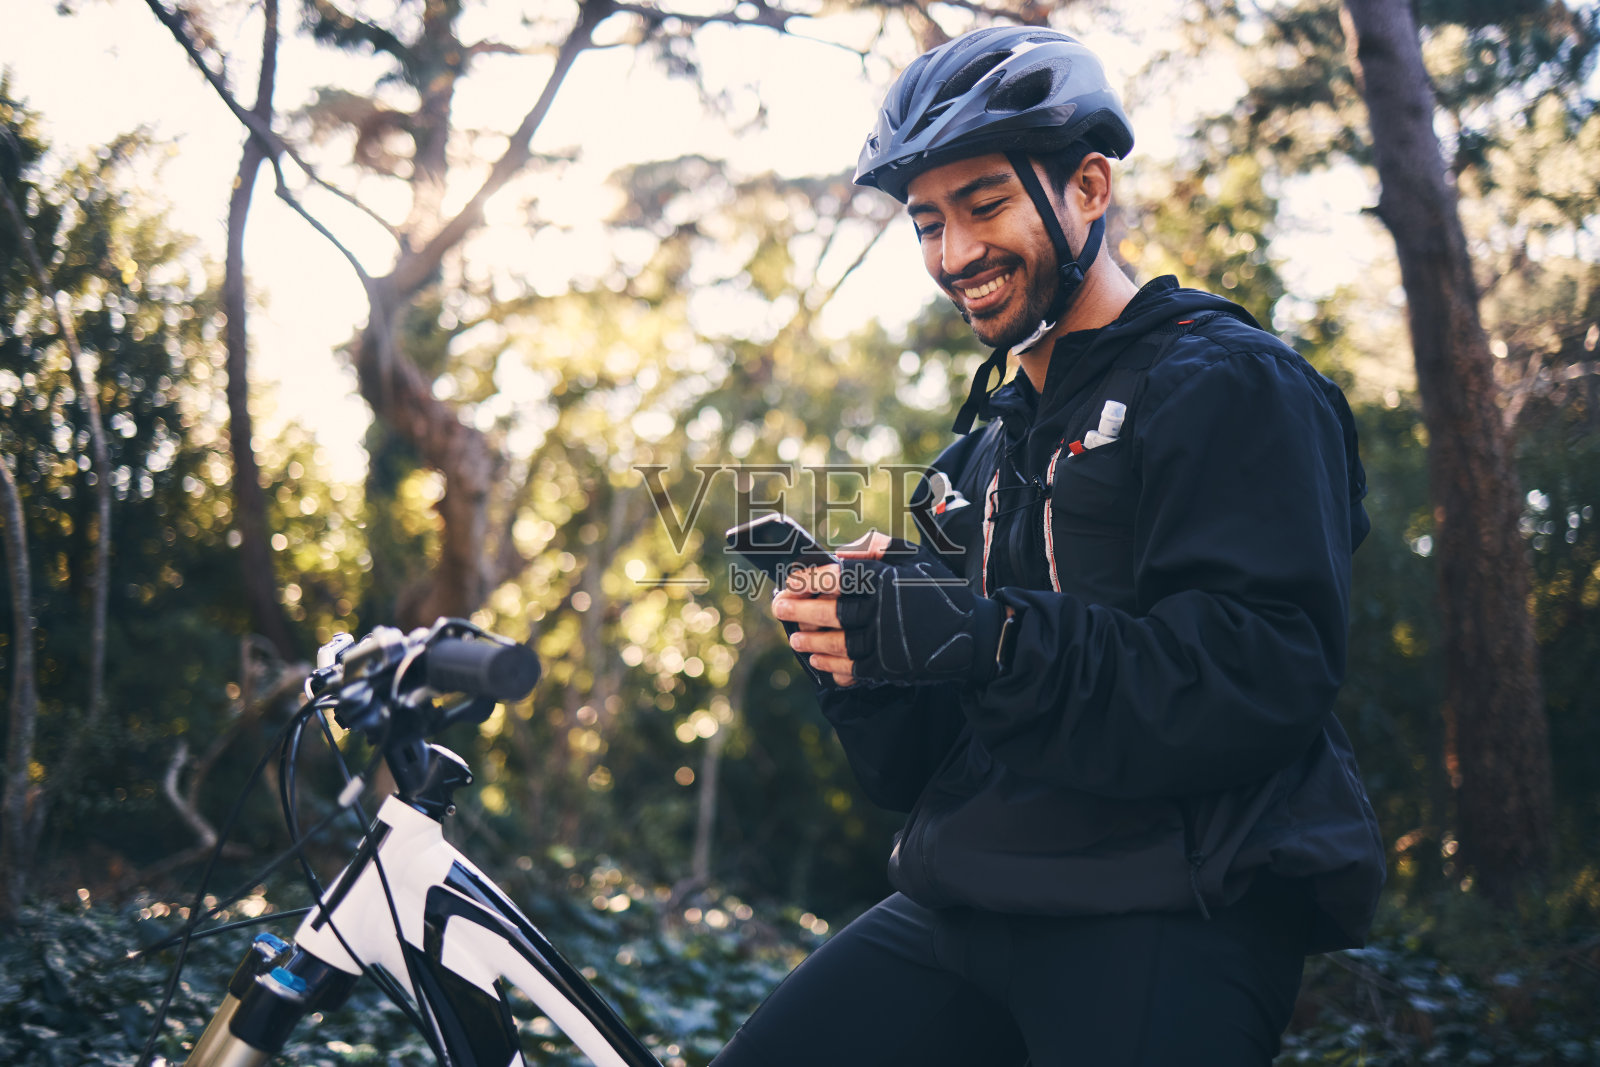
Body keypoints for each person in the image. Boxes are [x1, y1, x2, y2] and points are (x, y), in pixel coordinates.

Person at [712, 25, 1385, 1067]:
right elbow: (922, 763)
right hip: (965, 902)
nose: (953, 255)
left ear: (1087, 186)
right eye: (927, 223)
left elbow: (1260, 674)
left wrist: (981, 636)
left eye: (983, 204)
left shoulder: (1229, 383)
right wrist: (867, 655)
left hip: (1171, 908)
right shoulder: (977, 457)